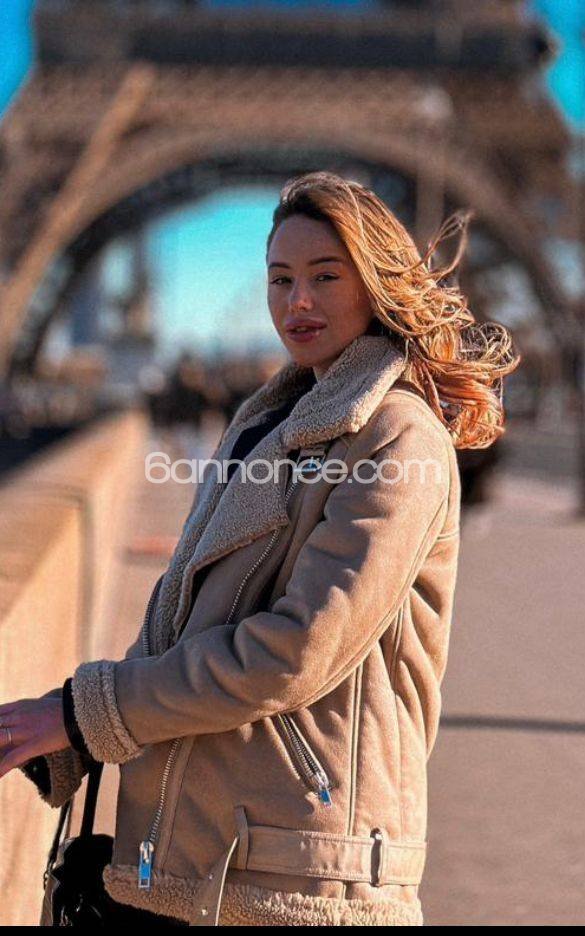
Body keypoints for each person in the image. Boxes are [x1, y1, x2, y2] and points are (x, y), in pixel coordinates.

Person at [1, 171, 519, 926]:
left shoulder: (397, 435)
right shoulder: (266, 424)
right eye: (280, 279)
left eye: (325, 276)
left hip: (303, 861)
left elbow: (298, 649)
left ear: (375, 282)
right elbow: (185, 624)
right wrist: (78, 728)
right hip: (212, 846)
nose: (297, 300)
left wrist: (89, 712)